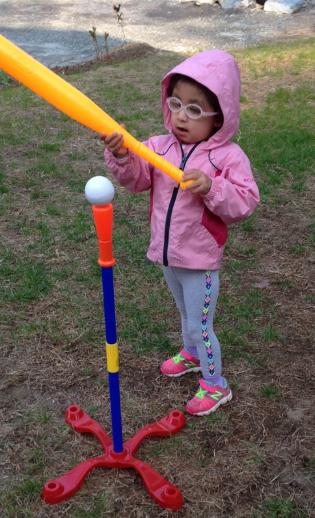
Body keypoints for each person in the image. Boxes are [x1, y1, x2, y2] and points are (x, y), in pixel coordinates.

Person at [99, 50, 260, 416]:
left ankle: (216, 385)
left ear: (220, 117)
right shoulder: (159, 146)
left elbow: (246, 201)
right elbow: (137, 180)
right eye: (176, 104)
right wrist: (124, 156)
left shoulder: (228, 157)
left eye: (195, 109)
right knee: (186, 315)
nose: (181, 116)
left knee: (201, 323)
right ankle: (191, 354)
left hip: (200, 260)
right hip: (167, 252)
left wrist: (211, 187)